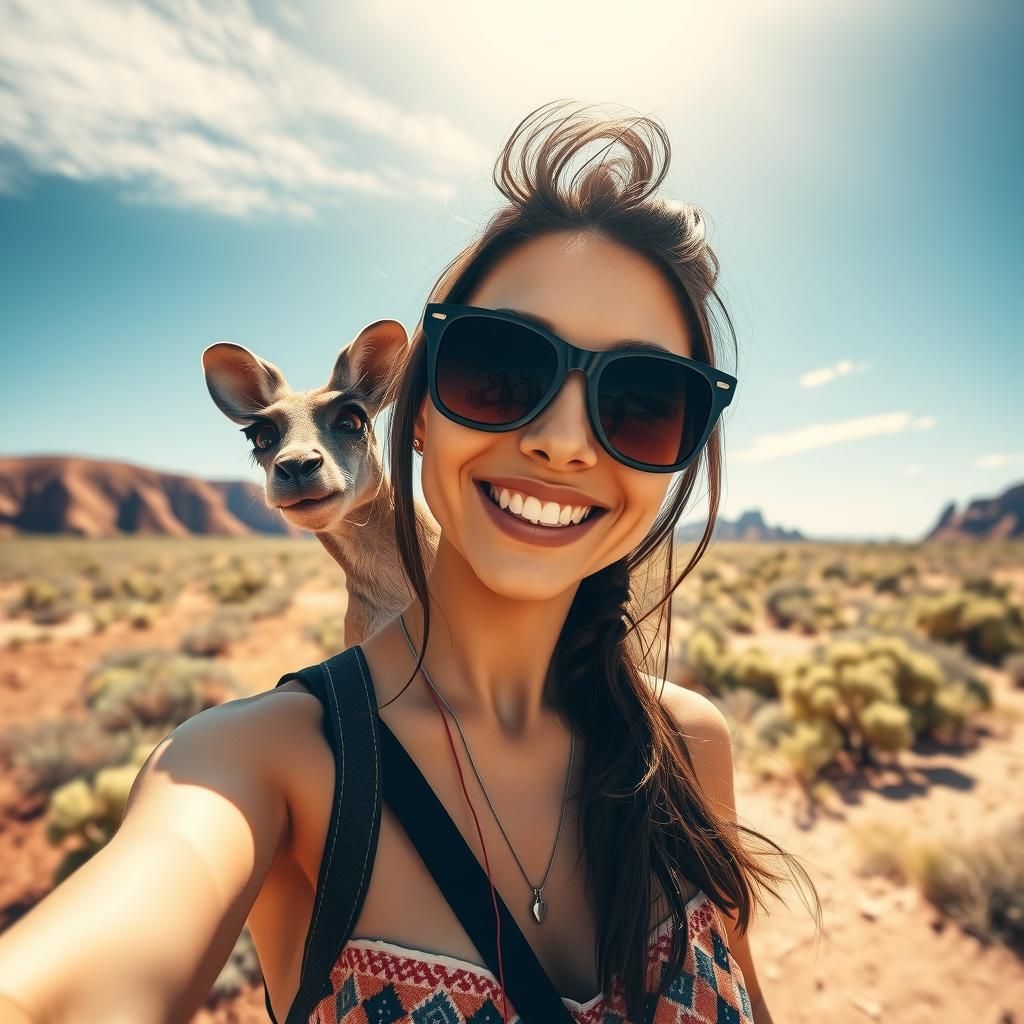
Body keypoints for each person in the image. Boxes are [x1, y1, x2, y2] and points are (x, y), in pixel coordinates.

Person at [0, 100, 820, 1024]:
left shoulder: (685, 745)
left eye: (640, 401)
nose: (561, 441)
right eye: (501, 376)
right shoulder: (265, 761)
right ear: (421, 411)